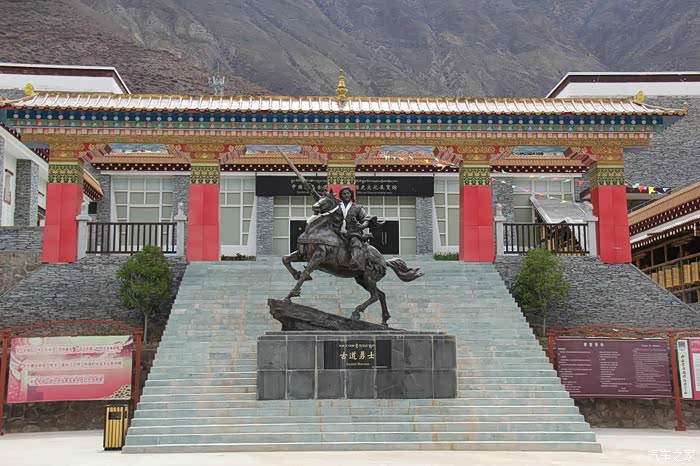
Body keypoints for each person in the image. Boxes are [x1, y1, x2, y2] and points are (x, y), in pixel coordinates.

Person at [305, 182, 373, 271]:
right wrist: (312, 191)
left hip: (352, 231)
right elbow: (321, 200)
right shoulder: (336, 205)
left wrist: (362, 225)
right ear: (341, 195)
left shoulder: (358, 208)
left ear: (351, 195)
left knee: (355, 241)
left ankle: (355, 260)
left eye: (348, 193)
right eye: (344, 194)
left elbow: (365, 219)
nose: (346, 195)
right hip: (336, 230)